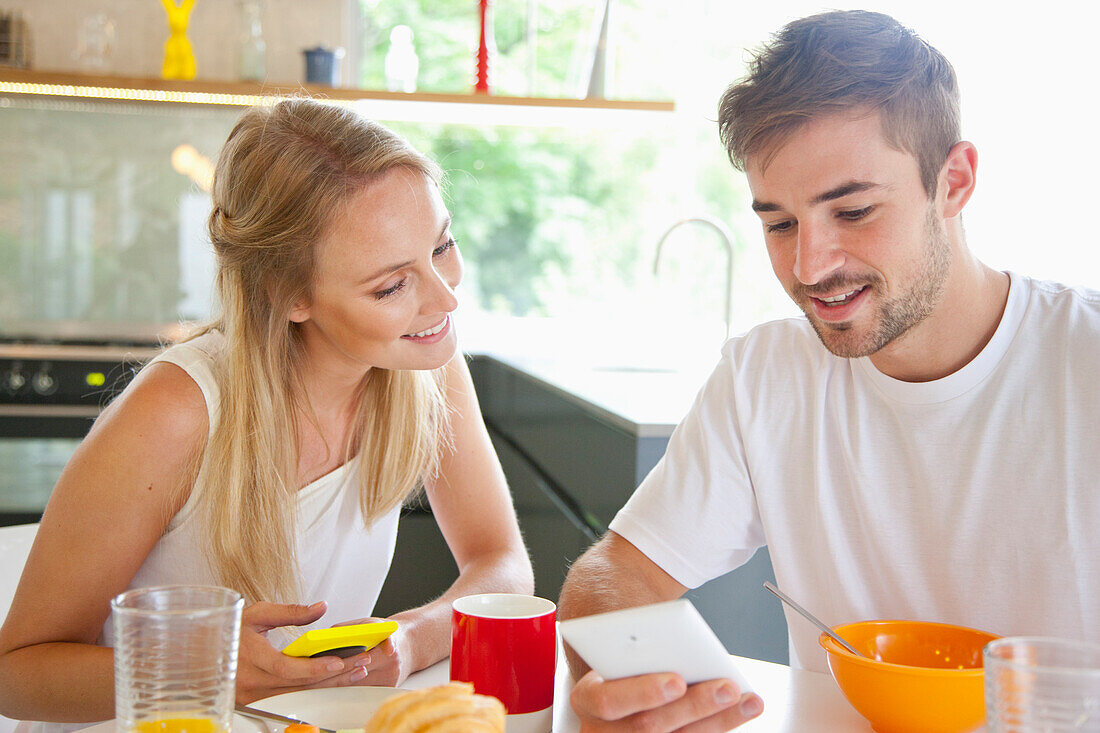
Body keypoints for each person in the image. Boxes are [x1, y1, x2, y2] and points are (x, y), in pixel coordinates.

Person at [559, 9, 1100, 731]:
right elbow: (614, 574)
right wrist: (632, 689)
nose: (810, 267)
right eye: (779, 223)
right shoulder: (765, 377)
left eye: (852, 211)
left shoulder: (1083, 363)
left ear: (955, 182)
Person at [0, 98, 534, 729]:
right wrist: (204, 667)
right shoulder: (179, 413)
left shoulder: (426, 371)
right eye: (391, 286)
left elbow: (502, 566)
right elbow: (18, 674)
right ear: (290, 295)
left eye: (442, 245)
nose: (445, 298)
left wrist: (409, 638)